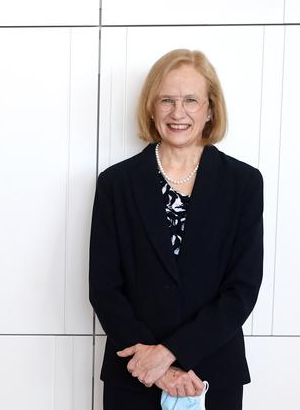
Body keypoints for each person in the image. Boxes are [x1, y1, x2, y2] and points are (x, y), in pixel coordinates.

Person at [89, 49, 263, 410]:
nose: (178, 112)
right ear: (151, 108)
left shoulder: (243, 183)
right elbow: (105, 289)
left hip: (213, 374)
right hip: (134, 374)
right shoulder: (116, 184)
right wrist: (155, 370)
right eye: (166, 100)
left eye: (191, 100)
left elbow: (242, 289)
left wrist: (169, 354)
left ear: (210, 109)